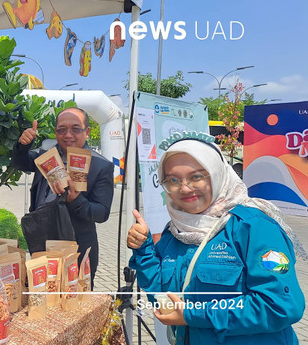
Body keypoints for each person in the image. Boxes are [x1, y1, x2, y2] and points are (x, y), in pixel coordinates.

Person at [127, 133, 306, 345]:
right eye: (173, 180)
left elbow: (281, 306)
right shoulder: (175, 232)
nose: (184, 188)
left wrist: (193, 315)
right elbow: (162, 296)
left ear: (217, 175)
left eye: (196, 177)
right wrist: (144, 248)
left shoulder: (254, 227)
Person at [12, 107, 114, 278]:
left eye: (75, 129)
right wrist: (23, 146)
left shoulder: (100, 165)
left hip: (78, 247)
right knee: (42, 294)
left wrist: (76, 200)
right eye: (62, 129)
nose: (68, 135)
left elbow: (102, 213)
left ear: (86, 131)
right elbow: (21, 163)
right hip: (41, 241)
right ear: (55, 131)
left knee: (76, 301)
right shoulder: (46, 151)